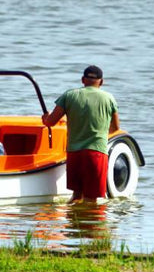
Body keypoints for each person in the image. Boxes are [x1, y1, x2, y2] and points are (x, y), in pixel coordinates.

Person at [42, 65, 119, 203]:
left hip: (74, 153)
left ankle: (71, 224)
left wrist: (45, 118)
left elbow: (50, 122)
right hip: (96, 153)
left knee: (76, 196)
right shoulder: (109, 98)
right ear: (101, 82)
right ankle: (89, 223)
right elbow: (115, 128)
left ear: (83, 80)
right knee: (92, 200)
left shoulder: (69, 95)